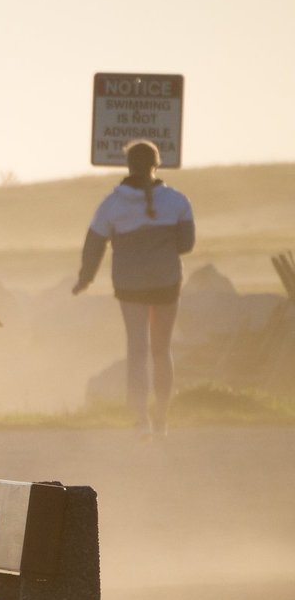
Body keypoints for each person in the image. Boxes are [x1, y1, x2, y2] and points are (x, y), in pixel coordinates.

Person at [73, 140, 195, 439]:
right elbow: (186, 245)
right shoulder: (177, 201)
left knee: (137, 349)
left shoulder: (112, 204)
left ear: (128, 165)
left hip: (130, 286)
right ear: (158, 164)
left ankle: (140, 419)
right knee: (161, 350)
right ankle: (162, 418)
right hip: (166, 283)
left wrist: (85, 278)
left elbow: (94, 245)